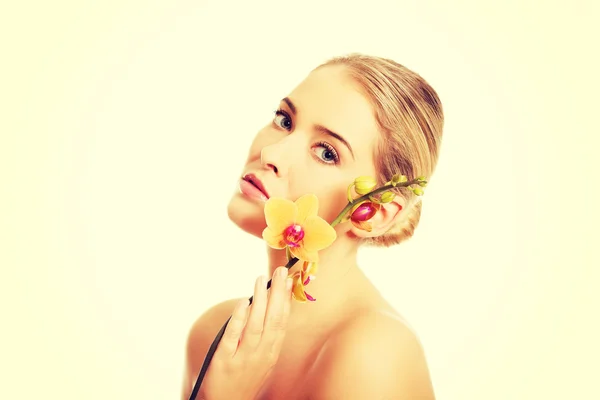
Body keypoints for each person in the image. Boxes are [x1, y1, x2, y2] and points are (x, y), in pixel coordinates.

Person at [181, 53, 444, 400]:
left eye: (327, 153)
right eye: (284, 120)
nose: (271, 154)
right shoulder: (213, 333)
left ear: (373, 213)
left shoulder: (376, 357)